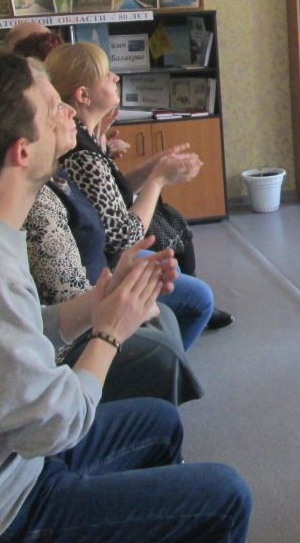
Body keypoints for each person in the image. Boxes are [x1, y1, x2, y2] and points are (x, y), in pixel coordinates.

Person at [0, 52, 251, 543]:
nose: (69, 113)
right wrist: (110, 332)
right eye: (54, 106)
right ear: (22, 151)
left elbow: (17, 336)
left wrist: (97, 303)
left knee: (159, 421)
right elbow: (55, 426)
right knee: (225, 498)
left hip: (5, 467)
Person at [23, 80, 205, 406]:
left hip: (100, 283)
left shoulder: (66, 169)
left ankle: (159, 391)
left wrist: (116, 287)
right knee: (180, 323)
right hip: (75, 342)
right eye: (56, 107)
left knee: (168, 316)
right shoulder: (53, 188)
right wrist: (158, 178)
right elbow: (122, 234)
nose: (68, 111)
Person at [46, 42, 232, 331]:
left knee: (171, 235)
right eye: (107, 74)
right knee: (199, 297)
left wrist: (152, 167)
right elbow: (124, 236)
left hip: (106, 257)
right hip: (107, 265)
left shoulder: (86, 137)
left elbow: (114, 193)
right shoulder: (82, 154)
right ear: (83, 95)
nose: (116, 78)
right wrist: (157, 179)